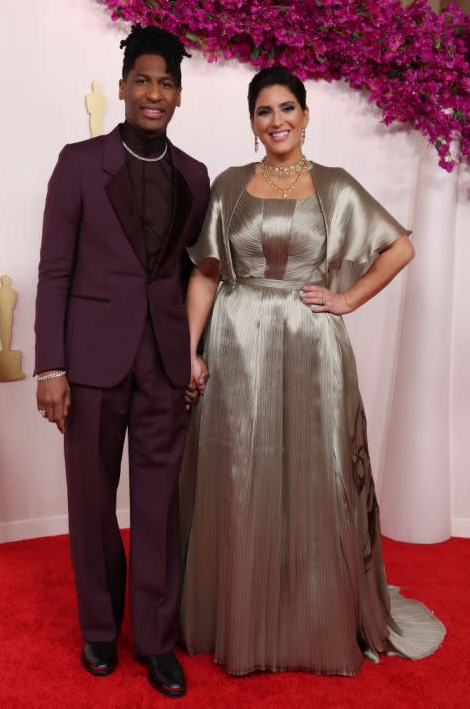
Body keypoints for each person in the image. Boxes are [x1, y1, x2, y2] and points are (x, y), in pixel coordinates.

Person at [179, 66, 445, 676]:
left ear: (305, 115)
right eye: (264, 111)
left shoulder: (335, 185)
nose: (277, 121)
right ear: (251, 122)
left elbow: (399, 247)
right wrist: (190, 349)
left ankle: (316, 615)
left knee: (318, 472)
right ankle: (241, 615)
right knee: (239, 471)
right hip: (238, 343)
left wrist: (347, 300)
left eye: (287, 108)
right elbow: (205, 273)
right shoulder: (228, 186)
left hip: (311, 343)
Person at [34, 25, 210, 698]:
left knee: (160, 507)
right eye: (143, 80)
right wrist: (51, 367)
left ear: (179, 95)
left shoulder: (194, 176)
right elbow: (54, 271)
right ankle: (101, 629)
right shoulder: (79, 164)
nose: (154, 93)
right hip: (90, 364)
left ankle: (157, 641)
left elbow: (203, 274)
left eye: (166, 83)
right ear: (123, 86)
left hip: (165, 364)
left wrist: (194, 356)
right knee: (92, 502)